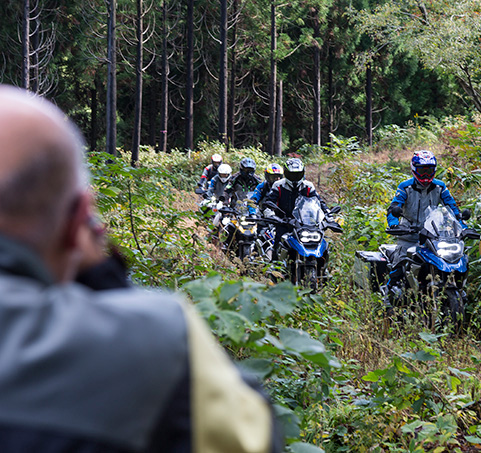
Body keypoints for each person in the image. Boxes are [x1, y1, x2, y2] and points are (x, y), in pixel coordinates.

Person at [0, 85, 280, 453]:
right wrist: (104, 274)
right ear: (80, 220)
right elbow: (255, 438)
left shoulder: (260, 182)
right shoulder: (157, 336)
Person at [384, 150, 466, 302]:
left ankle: (459, 294)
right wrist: (395, 225)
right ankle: (388, 300)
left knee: (454, 261)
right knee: (399, 265)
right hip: (409, 235)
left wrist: (462, 225)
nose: (426, 175)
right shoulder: (405, 187)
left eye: (429, 170)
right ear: (414, 169)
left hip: (433, 236)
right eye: (422, 170)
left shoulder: (440, 187)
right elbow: (394, 207)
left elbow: (453, 208)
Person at [263, 158, 329, 260]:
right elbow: (269, 202)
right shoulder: (278, 185)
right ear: (286, 173)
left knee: (322, 242)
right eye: (292, 174)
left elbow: (319, 202)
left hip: (306, 222)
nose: (294, 178)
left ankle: (323, 269)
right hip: (284, 222)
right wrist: (271, 215)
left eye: (297, 174)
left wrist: (328, 214)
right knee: (278, 244)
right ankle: (275, 270)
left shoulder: (308, 186)